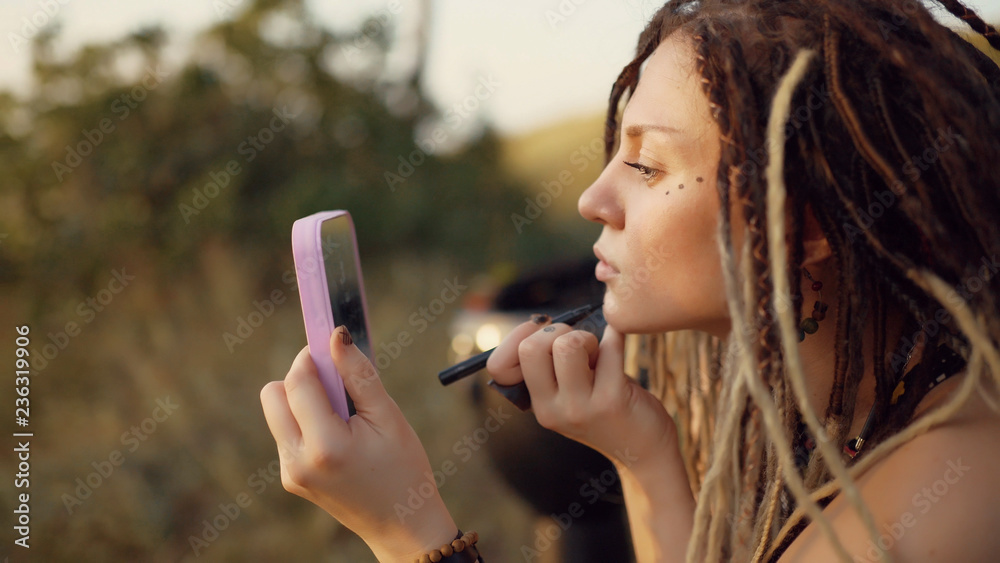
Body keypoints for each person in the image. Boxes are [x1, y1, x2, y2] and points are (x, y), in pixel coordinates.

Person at [259, 0, 1000, 561]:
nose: (593, 198)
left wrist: (406, 529)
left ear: (800, 224)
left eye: (646, 165)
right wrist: (640, 452)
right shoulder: (887, 415)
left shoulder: (941, 494)